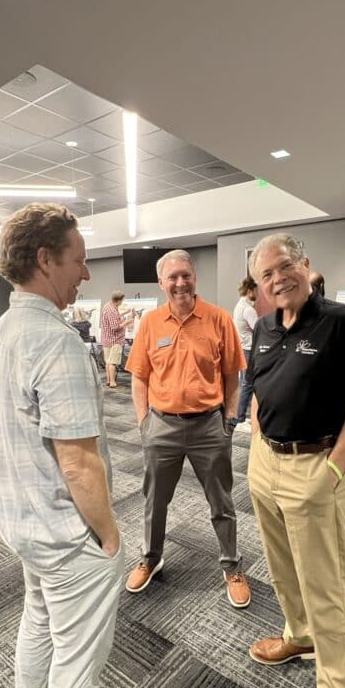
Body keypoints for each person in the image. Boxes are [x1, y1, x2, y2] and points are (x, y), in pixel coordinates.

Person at [0, 203, 123, 688]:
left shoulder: (4, 329)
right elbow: (78, 462)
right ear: (45, 260)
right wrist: (109, 537)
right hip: (64, 533)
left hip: (21, 520)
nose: (86, 274)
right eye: (79, 261)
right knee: (78, 657)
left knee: (39, 620)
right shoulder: (56, 341)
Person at [246, 233, 345, 688]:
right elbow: (257, 391)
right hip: (266, 465)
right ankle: (298, 637)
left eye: (285, 267)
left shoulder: (341, 323)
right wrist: (258, 442)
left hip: (317, 467)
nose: (278, 279)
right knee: (282, 569)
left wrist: (333, 473)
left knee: (326, 588)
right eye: (266, 275)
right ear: (259, 285)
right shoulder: (261, 328)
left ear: (305, 264)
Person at [123, 249, 251, 608]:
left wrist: (229, 419)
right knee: (154, 500)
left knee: (221, 501)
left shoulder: (218, 319)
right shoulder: (149, 322)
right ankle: (150, 558)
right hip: (161, 426)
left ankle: (232, 566)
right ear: (161, 283)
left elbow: (232, 376)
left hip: (209, 426)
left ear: (195, 277)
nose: (180, 283)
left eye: (186, 275)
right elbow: (139, 378)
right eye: (172, 277)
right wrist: (143, 422)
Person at [232, 275, 259, 423]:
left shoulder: (239, 306)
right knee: (248, 384)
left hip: (243, 349)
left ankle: (243, 414)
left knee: (245, 383)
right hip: (249, 350)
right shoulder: (248, 309)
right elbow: (260, 330)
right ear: (250, 290)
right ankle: (240, 416)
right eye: (256, 290)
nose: (258, 294)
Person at [99, 290, 135, 388]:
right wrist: (127, 322)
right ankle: (112, 382)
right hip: (114, 340)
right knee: (113, 362)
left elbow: (115, 318)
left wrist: (124, 313)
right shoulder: (112, 310)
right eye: (122, 300)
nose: (122, 302)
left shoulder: (108, 306)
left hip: (107, 339)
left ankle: (108, 380)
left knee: (108, 361)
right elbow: (115, 327)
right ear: (119, 300)